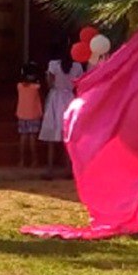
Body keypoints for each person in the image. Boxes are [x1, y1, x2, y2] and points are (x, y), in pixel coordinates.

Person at [38, 44, 83, 177]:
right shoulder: (77, 66)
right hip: (69, 98)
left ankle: (50, 170)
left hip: (55, 98)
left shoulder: (53, 65)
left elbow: (50, 83)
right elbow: (78, 84)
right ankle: (69, 169)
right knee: (67, 136)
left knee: (52, 136)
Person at [16, 62, 43, 168]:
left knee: (23, 137)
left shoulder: (19, 86)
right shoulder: (36, 87)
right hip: (34, 114)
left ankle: (22, 160)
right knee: (32, 138)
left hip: (22, 114)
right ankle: (34, 160)